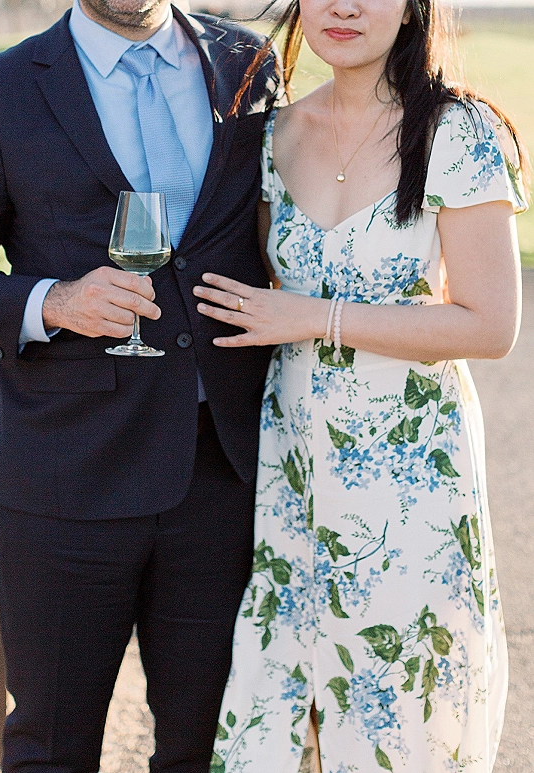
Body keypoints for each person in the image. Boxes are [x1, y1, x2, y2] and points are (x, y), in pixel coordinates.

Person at [193, 0, 530, 771]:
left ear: (413, 7)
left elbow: (490, 326)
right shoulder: (270, 136)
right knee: (282, 716)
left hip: (411, 481)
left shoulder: (457, 133)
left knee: (402, 720)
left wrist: (315, 316)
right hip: (296, 468)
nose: (345, 7)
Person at [0, 0, 282, 770]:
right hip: (66, 476)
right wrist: (53, 302)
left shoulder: (250, 65)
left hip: (222, 473)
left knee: (208, 745)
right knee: (51, 747)